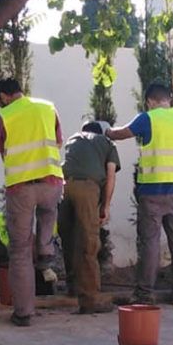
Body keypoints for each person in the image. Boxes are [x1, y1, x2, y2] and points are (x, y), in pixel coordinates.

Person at [106, 83, 173, 305]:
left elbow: (120, 134)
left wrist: (105, 129)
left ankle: (145, 293)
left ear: (149, 101)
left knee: (150, 242)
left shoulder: (148, 118)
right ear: (169, 99)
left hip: (152, 191)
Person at [0, 78, 63, 327]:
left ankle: (23, 313)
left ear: (3, 96)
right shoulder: (48, 108)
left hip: (21, 187)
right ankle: (46, 256)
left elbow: (1, 150)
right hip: (52, 182)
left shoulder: (3, 116)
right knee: (48, 217)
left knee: (19, 251)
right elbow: (58, 142)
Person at [58, 121, 120, 314]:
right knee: (88, 243)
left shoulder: (73, 140)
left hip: (63, 187)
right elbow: (110, 176)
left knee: (69, 239)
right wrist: (106, 206)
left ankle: (72, 287)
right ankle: (90, 300)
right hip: (87, 189)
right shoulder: (107, 143)